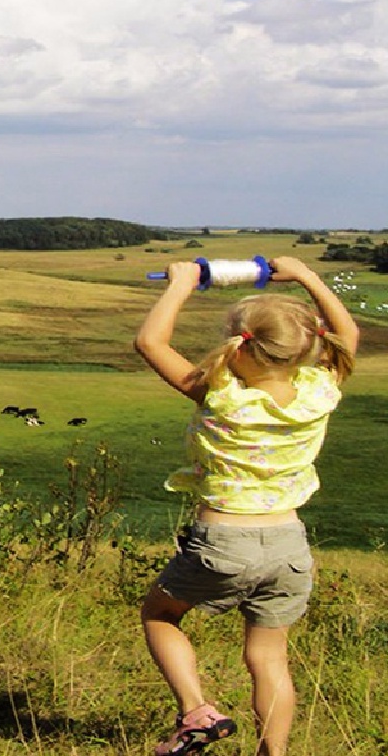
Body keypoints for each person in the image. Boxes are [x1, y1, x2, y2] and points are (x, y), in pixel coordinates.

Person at [134, 256, 359, 756]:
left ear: (239, 346)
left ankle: (195, 712)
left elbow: (150, 343)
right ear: (308, 348)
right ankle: (272, 753)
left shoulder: (218, 395)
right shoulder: (319, 391)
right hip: (289, 545)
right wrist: (307, 277)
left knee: (160, 615)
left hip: (224, 538)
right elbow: (348, 336)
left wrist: (182, 284)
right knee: (268, 657)